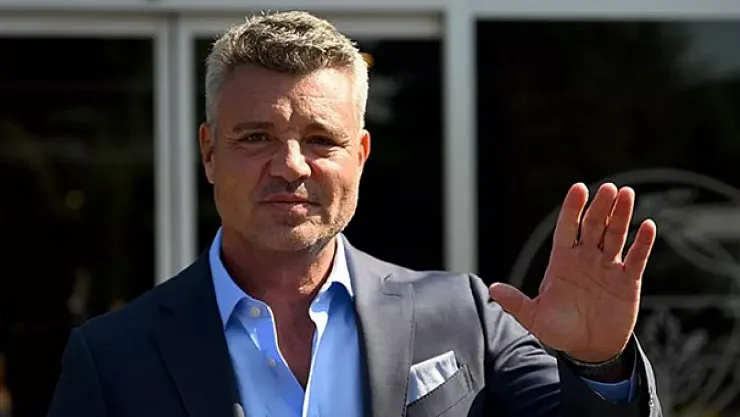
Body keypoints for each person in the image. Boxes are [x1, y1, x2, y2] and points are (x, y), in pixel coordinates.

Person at [47, 11, 662, 417]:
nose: (291, 166)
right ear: (209, 153)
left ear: (361, 155)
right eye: (256, 137)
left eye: (321, 140)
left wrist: (598, 365)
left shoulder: (463, 317)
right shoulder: (112, 358)